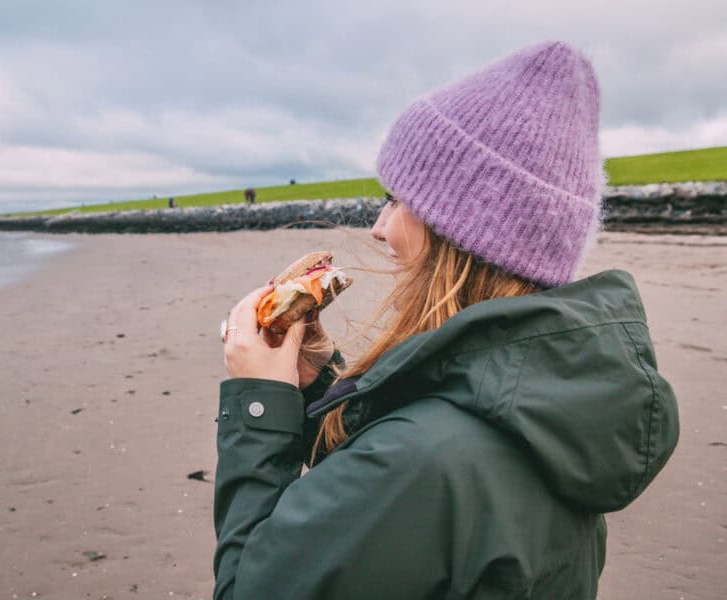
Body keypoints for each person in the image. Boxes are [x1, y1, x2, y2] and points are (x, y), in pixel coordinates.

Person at [215, 41, 679, 599]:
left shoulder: (420, 463)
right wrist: (319, 384)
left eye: (395, 199)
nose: (379, 228)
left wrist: (258, 403)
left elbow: (252, 589)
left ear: (459, 232)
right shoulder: (552, 417)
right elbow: (398, 518)